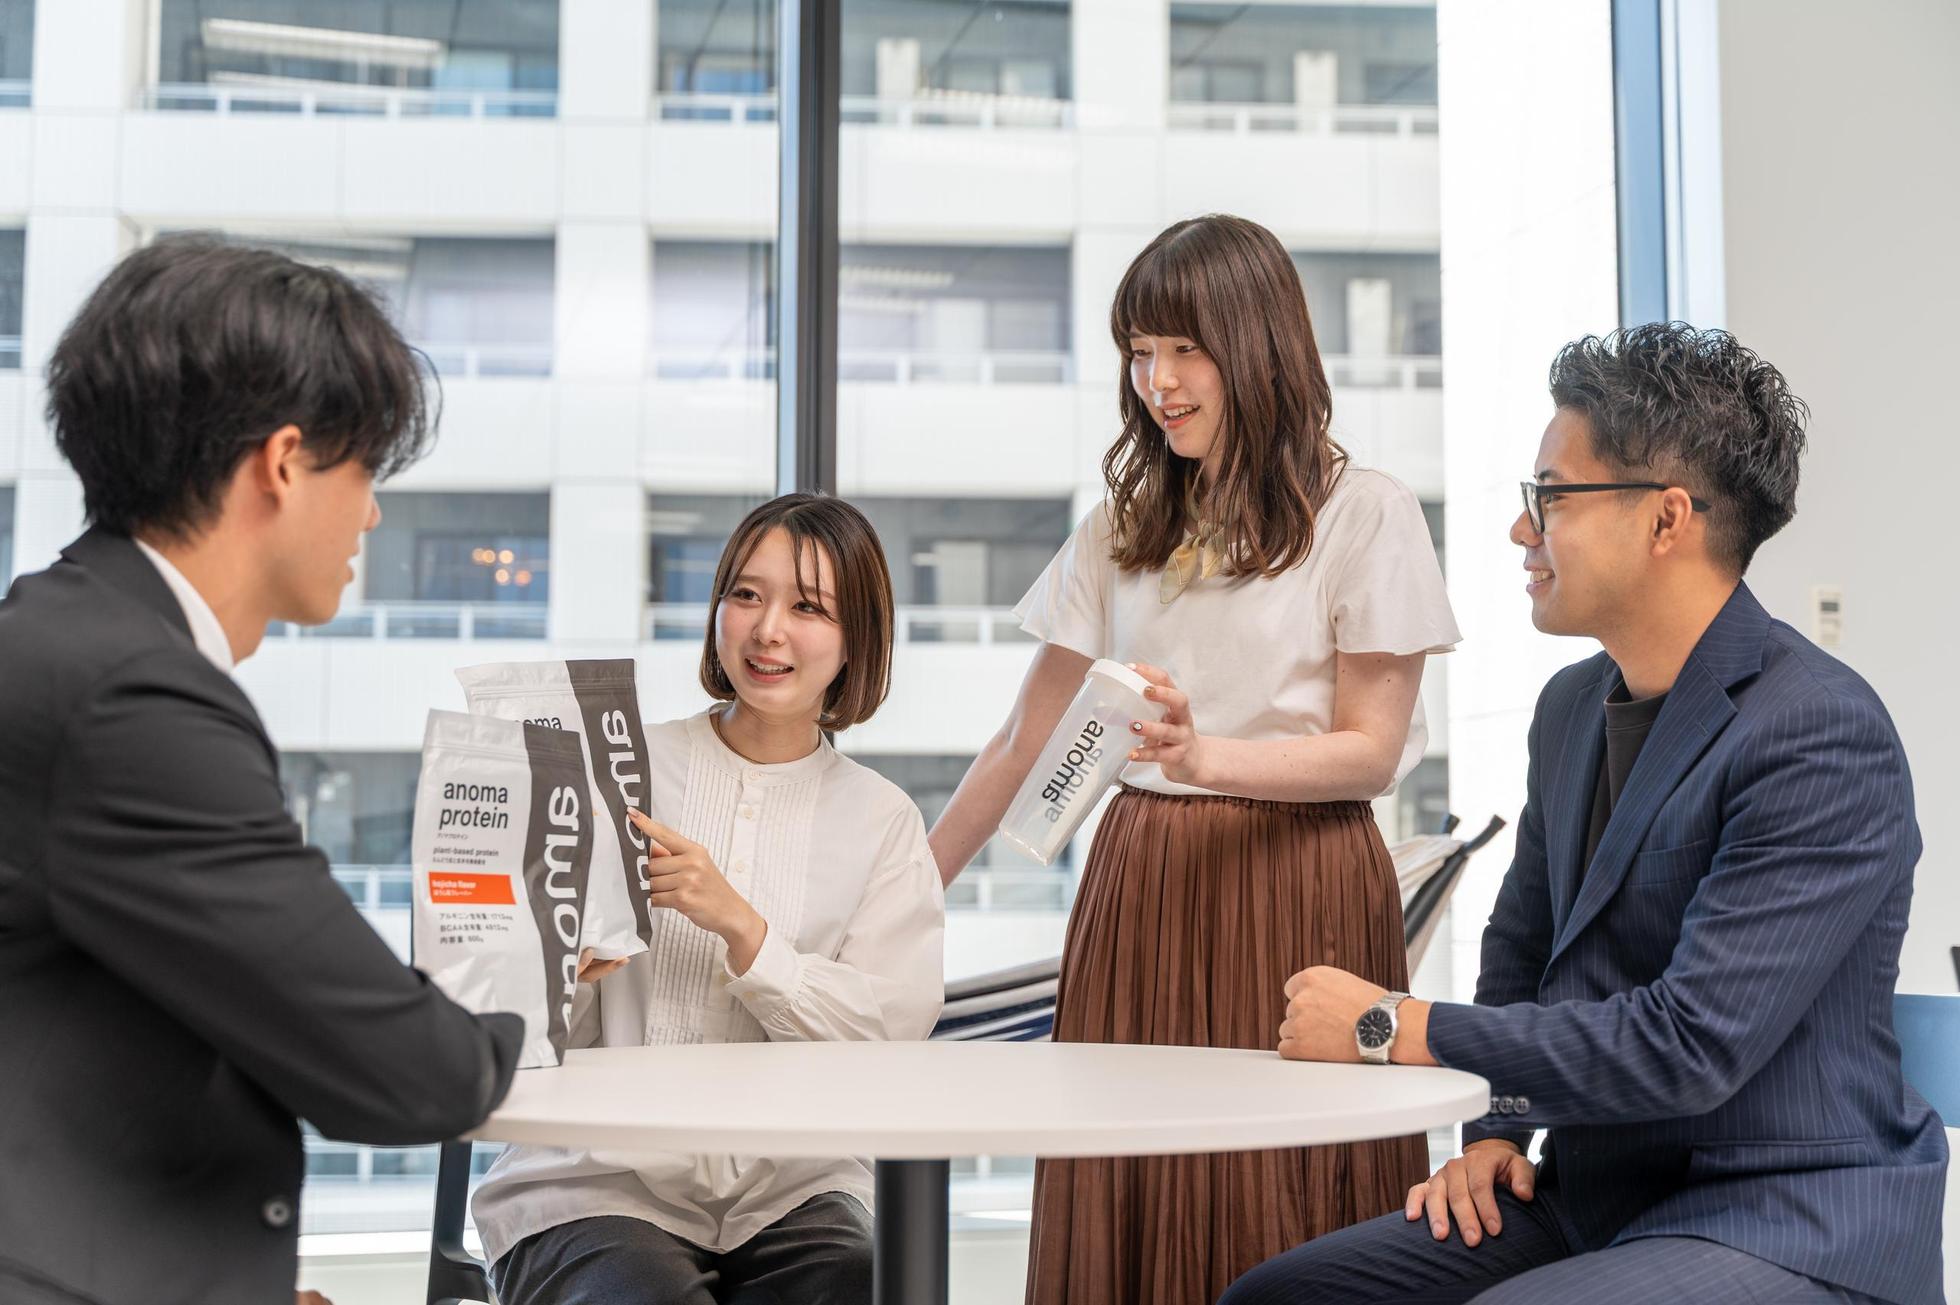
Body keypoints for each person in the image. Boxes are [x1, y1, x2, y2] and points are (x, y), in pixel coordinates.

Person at [1228, 323, 1949, 1305]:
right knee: (1281, 1295)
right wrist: (1495, 1131)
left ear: (1666, 519)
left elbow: (1689, 1046)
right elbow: (1522, 949)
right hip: (1595, 1196)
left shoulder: (1819, 732)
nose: (1522, 531)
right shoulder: (1570, 708)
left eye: (1552, 497)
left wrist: (1389, 1025)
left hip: (1790, 1217)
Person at [928, 214, 1461, 1304]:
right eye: (1139, 351)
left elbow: (1369, 754)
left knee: (1285, 1189)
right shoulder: (1123, 524)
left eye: (1184, 349)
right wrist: (905, 893)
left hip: (1299, 877)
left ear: (1257, 347)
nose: (1157, 381)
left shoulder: (1364, 513)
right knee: (1128, 1175)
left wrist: (1202, 756)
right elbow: (1023, 740)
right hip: (1141, 881)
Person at [0, 237, 525, 1305]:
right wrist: (533, 1010)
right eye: (365, 470)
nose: (371, 513)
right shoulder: (132, 697)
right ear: (284, 463)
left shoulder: (60, 632)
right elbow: (411, 1075)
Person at [472, 493, 946, 1305]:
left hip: (791, 1188)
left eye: (809, 607)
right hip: (597, 1178)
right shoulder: (618, 770)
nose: (768, 630)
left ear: (857, 640)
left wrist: (745, 930)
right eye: (746, 594)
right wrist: (560, 963)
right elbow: (503, 1018)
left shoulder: (882, 819)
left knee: (860, 1280)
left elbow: (887, 1037)